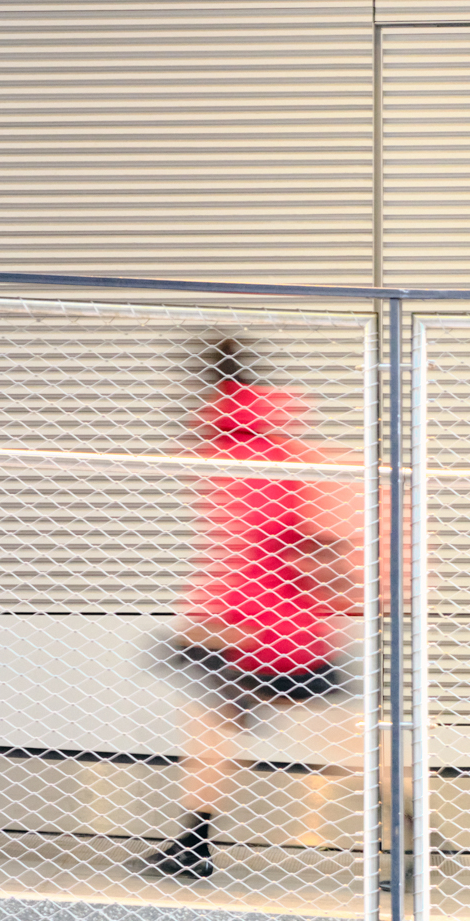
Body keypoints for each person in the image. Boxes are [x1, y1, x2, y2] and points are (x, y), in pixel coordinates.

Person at [144, 340, 364, 878]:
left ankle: (195, 844)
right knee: (214, 729)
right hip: (261, 625)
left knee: (336, 743)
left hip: (264, 629)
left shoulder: (248, 458)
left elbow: (298, 543)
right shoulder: (264, 450)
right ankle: (194, 843)